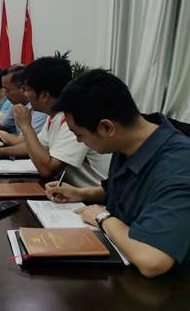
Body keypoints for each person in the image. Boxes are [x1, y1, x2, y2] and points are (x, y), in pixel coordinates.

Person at [45, 70, 190, 277]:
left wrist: (102, 217)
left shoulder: (179, 165)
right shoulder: (129, 142)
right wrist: (81, 193)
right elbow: (125, 190)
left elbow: (153, 261)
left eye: (79, 134)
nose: (79, 141)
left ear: (106, 127)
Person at [0, 57, 111, 188]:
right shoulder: (54, 116)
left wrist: (26, 126)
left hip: (95, 196)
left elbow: (47, 170)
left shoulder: (74, 119)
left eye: (27, 89)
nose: (24, 93)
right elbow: (35, 146)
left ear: (44, 95)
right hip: (69, 190)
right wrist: (1, 152)